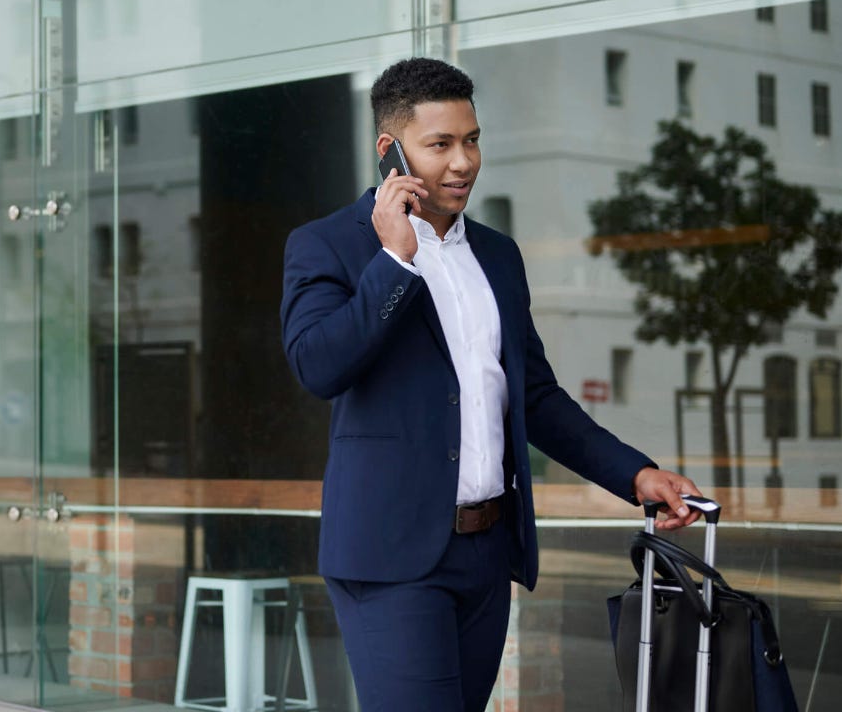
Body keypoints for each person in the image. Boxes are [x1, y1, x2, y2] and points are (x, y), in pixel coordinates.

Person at [279, 57, 703, 712]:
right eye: (440, 144)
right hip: (390, 560)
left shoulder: (498, 256)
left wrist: (635, 475)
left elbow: (534, 396)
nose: (463, 163)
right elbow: (319, 366)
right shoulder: (330, 245)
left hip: (485, 554)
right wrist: (395, 261)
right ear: (390, 152)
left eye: (471, 140)